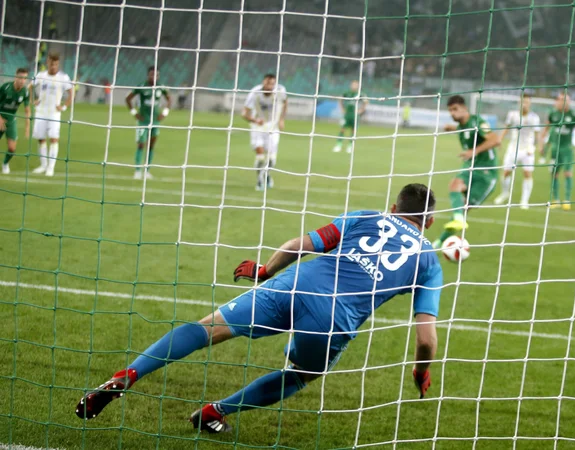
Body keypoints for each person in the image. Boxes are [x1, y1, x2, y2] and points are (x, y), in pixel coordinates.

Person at [75, 183, 442, 434]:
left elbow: (302, 244)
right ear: (429, 222)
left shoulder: (367, 216)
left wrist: (265, 272)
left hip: (293, 283)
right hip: (333, 318)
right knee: (301, 374)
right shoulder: (429, 260)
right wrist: (420, 372)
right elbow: (426, 339)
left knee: (208, 328)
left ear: (394, 208)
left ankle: (129, 375)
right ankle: (215, 412)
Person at [433, 95, 501, 248]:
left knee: (464, 208)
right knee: (455, 185)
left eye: (455, 109)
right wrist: (451, 128)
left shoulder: (477, 122)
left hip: (486, 174)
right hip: (471, 168)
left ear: (464, 108)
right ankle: (441, 239)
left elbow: (495, 139)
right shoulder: (462, 126)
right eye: (450, 110)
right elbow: (462, 129)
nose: (452, 113)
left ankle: (440, 241)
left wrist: (474, 151)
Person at [493, 92, 541, 209]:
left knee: (527, 174)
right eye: (522, 102)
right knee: (505, 173)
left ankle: (524, 200)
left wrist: (534, 148)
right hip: (513, 148)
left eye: (527, 102)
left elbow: (536, 134)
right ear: (519, 103)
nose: (524, 104)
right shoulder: (512, 115)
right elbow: (506, 128)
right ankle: (505, 193)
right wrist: (499, 140)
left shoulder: (534, 118)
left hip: (527, 150)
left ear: (530, 104)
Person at [242, 74, 287, 191]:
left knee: (272, 159)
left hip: (273, 128)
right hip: (258, 128)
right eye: (268, 83)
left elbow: (285, 102)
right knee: (261, 157)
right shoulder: (255, 92)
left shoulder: (280, 90)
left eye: (272, 83)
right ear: (263, 82)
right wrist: (255, 120)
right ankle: (260, 181)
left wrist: (282, 119)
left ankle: (266, 175)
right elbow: (244, 113)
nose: (270, 86)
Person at [541, 93, 575, 211]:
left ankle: (567, 200)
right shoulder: (553, 114)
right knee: (554, 174)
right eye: (560, 100)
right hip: (555, 149)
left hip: (567, 149)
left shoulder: (574, 115)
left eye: (566, 100)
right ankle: (556, 200)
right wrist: (542, 146)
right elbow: (545, 130)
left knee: (567, 173)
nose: (563, 102)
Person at [32, 52, 73, 177]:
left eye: (55, 64)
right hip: (41, 112)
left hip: (54, 114)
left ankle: (51, 167)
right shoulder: (41, 75)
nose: (53, 66)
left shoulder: (63, 77)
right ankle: (43, 165)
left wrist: (64, 106)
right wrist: (34, 99)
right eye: (51, 63)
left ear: (58, 64)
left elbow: (71, 93)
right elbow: (30, 86)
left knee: (54, 139)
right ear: (47, 62)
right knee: (41, 138)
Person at [126, 66, 171, 180]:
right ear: (148, 75)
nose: (154, 77)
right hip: (143, 121)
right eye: (152, 74)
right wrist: (134, 113)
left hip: (155, 121)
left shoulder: (161, 87)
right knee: (141, 144)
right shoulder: (142, 86)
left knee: (151, 146)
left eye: (156, 75)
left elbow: (169, 99)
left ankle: (147, 171)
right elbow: (128, 99)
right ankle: (137, 171)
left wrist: (164, 113)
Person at [0, 68, 32, 174]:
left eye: (24, 78)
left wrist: (27, 128)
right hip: (0, 116)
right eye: (20, 78)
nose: (22, 81)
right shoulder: (6, 88)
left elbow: (27, 111)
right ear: (15, 77)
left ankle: (5, 164)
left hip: (11, 119)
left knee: (12, 148)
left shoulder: (25, 92)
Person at [333, 80, 368, 154]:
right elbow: (340, 99)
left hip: (355, 115)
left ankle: (350, 146)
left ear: (358, 86)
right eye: (353, 85)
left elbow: (366, 102)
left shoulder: (360, 94)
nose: (354, 86)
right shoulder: (347, 93)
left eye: (356, 85)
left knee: (353, 130)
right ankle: (338, 145)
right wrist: (342, 109)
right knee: (342, 129)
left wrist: (360, 110)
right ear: (351, 85)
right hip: (347, 115)